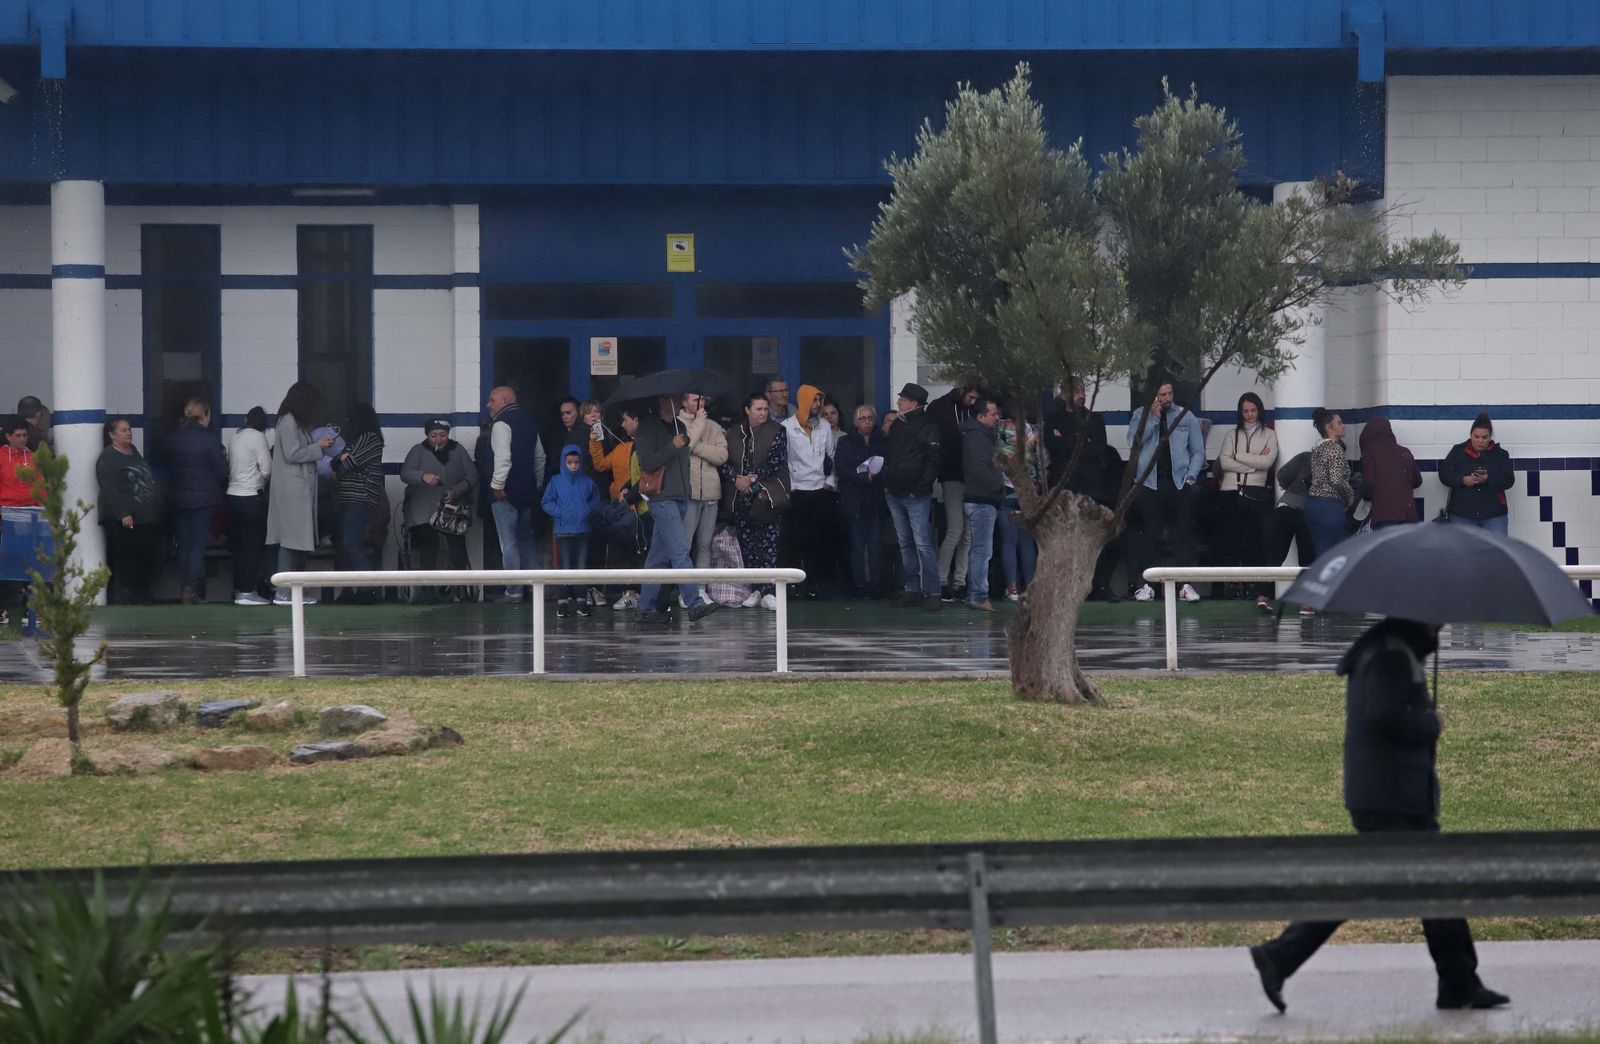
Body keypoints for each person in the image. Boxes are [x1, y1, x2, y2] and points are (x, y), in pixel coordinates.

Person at [1249, 617, 1510, 1015]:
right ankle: (1280, 955)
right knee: (1410, 885)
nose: (1439, 631)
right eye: (1434, 625)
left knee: (1431, 886)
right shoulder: (1390, 655)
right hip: (1392, 797)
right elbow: (1383, 714)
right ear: (1415, 621)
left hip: (1391, 793)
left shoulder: (1390, 649)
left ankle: (1459, 981)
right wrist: (1429, 723)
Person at [633, 394, 720, 623]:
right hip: (662, 498)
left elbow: (684, 460)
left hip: (681, 496)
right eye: (674, 398)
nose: (679, 402)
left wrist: (687, 489)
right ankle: (694, 603)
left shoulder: (679, 425)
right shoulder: (647, 428)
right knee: (680, 550)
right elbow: (647, 462)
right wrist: (672, 446)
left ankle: (645, 607)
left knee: (657, 557)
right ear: (662, 400)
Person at [1125, 381, 1206, 602]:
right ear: (1153, 396)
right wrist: (1153, 419)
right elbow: (1134, 442)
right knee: (1151, 535)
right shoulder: (1140, 415)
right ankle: (1149, 586)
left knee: (1182, 534)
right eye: (1162, 394)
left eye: (1170, 393)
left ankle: (1185, 585)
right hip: (1150, 484)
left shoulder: (1184, 416)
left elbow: (1198, 450)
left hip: (1178, 482)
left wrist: (1191, 476)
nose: (1167, 398)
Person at [265, 382, 335, 605]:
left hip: (296, 491)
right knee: (290, 541)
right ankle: (283, 593)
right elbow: (293, 454)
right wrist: (319, 447)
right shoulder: (288, 423)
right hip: (292, 492)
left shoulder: (294, 422)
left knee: (295, 542)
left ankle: (290, 592)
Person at [721, 392, 789, 611]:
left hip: (766, 494)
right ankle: (754, 589)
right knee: (747, 544)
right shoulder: (733, 433)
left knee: (767, 542)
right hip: (739, 496)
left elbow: (776, 461)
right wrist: (736, 480)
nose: (763, 413)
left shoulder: (777, 431)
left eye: (764, 409)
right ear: (747, 410)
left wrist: (751, 479)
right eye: (758, 409)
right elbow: (724, 462)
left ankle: (769, 590)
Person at [881, 383, 942, 610]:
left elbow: (933, 461)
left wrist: (919, 487)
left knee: (922, 544)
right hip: (895, 493)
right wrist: (887, 481)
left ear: (914, 403)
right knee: (906, 543)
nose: (899, 402)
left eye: (903, 399)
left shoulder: (928, 426)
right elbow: (889, 455)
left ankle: (934, 592)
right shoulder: (898, 424)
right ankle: (913, 589)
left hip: (915, 495)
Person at [1216, 392, 1280, 610]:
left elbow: (1268, 461)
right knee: (1232, 541)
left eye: (1253, 410)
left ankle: (1254, 586)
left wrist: (1239, 456)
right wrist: (1253, 464)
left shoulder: (1269, 434)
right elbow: (1224, 462)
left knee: (1255, 542)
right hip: (1230, 491)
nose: (1250, 415)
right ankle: (1233, 586)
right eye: (1245, 411)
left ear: (1259, 410)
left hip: (1255, 493)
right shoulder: (1231, 434)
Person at [400, 417, 477, 593]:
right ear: (427, 435)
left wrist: (456, 491)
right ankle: (428, 588)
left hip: (451, 510)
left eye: (442, 435)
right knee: (428, 545)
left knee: (457, 545)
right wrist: (422, 476)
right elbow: (405, 473)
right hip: (423, 509)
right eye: (433, 435)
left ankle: (460, 587)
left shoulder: (458, 450)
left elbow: (472, 476)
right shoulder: (417, 450)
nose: (438, 439)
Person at [164, 398, 228, 604]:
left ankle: (185, 586)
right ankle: (192, 588)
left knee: (183, 544)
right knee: (197, 546)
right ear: (205, 415)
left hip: (177, 498)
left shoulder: (172, 439)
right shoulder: (209, 440)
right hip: (202, 500)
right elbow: (222, 471)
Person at [486, 385, 546, 603]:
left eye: (491, 400)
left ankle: (513, 592)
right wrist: (537, 483)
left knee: (508, 543)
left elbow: (503, 459)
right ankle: (535, 590)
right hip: (528, 491)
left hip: (507, 493)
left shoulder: (501, 424)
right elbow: (540, 457)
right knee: (527, 542)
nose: (488, 405)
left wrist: (496, 487)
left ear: (504, 401)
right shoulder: (530, 422)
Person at [96, 417, 164, 604]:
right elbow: (109, 487)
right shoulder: (108, 457)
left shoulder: (133, 451)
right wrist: (123, 513)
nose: (129, 432)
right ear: (111, 434)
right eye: (123, 430)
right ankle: (126, 596)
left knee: (147, 555)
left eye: (129, 429)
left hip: (144, 517)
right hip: (123, 520)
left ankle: (144, 594)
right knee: (126, 558)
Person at [781, 383, 836, 600]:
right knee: (795, 541)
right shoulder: (787, 426)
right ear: (804, 401)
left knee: (818, 540)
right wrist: (791, 486)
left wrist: (830, 481)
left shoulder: (824, 425)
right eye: (813, 400)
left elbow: (831, 456)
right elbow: (784, 460)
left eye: (819, 400)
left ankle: (815, 584)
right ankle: (795, 587)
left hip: (820, 490)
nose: (817, 405)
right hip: (797, 491)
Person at [330, 402, 386, 600]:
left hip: (360, 498)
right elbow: (335, 462)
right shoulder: (355, 440)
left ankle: (366, 589)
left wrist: (342, 461)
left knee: (351, 543)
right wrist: (341, 460)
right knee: (346, 544)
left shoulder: (369, 438)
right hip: (349, 499)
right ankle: (354, 588)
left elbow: (347, 464)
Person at [590, 405, 644, 610]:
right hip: (622, 507)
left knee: (640, 551)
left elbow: (644, 476)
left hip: (640, 506)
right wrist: (594, 442)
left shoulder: (644, 447)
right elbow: (601, 464)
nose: (623, 425)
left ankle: (639, 593)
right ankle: (628, 592)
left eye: (626, 420)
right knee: (624, 552)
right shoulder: (621, 449)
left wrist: (629, 492)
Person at [929, 384, 978, 601]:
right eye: (971, 397)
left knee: (967, 534)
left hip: (970, 478)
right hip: (952, 476)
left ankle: (959, 582)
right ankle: (940, 581)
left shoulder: (970, 411)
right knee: (956, 530)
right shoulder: (943, 408)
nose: (973, 401)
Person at [834, 404, 888, 599]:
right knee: (857, 545)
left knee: (875, 545)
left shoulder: (882, 441)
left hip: (876, 500)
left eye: (870, 418)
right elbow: (841, 468)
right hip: (855, 500)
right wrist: (863, 477)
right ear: (856, 421)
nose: (866, 421)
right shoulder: (846, 442)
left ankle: (876, 585)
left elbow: (888, 465)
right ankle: (858, 585)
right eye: (862, 418)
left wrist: (877, 476)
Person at [680, 391, 728, 606]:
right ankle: (685, 590)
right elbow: (684, 445)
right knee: (685, 543)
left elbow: (721, 456)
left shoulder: (715, 426)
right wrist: (698, 422)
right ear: (684, 402)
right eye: (695, 399)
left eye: (703, 399)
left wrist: (696, 447)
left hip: (710, 492)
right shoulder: (678, 423)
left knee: (705, 544)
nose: (701, 403)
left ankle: (701, 588)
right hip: (688, 492)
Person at [541, 444, 600, 618]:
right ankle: (563, 601)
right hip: (563, 531)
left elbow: (595, 501)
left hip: (582, 530)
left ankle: (581, 601)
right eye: (569, 462)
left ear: (581, 462)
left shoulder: (587, 482)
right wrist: (561, 513)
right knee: (564, 567)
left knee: (581, 567)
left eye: (576, 462)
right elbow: (546, 502)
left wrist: (586, 511)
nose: (573, 466)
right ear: (563, 462)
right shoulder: (556, 481)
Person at [960, 397, 1004, 612]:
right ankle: (978, 595)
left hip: (980, 499)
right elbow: (980, 468)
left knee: (978, 549)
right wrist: (998, 485)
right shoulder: (977, 437)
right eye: (993, 414)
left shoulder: (979, 436)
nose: (997, 418)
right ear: (980, 416)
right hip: (982, 499)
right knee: (982, 550)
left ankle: (974, 593)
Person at [0, 414, 44, 624]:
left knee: (27, 563)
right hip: (4, 515)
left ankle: (29, 610)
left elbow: (40, 487)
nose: (22, 439)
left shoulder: (34, 457)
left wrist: (44, 509)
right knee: (6, 563)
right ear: (7, 436)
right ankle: (7, 608)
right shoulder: (0, 456)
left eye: (25, 435)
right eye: (17, 435)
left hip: (29, 517)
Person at [1438, 413, 1514, 534]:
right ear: (1470, 435)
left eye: (1485, 438)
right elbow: (1444, 474)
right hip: (1462, 513)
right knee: (1464, 552)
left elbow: (1509, 480)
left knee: (1496, 551)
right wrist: (1462, 479)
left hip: (1493, 515)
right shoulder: (1458, 451)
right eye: (1476, 437)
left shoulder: (1500, 454)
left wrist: (1488, 479)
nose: (1480, 441)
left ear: (1490, 437)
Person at [226, 407, 272, 605]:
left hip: (233, 495)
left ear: (246, 419)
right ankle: (247, 591)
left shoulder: (235, 437)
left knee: (240, 546)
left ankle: (238, 588)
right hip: (252, 496)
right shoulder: (258, 437)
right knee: (253, 546)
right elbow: (267, 469)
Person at [995, 404, 1041, 601]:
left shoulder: (1001, 430)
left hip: (1008, 490)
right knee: (1027, 541)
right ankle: (1030, 587)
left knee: (1009, 542)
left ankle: (1012, 587)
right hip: (1028, 490)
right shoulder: (1032, 431)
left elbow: (997, 461)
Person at [1043, 381, 1108, 497]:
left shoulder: (1095, 419)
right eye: (1077, 392)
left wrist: (1064, 440)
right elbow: (1052, 446)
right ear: (1065, 394)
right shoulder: (1053, 418)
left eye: (1083, 391)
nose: (1082, 396)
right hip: (1062, 482)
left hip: (1089, 483)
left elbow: (1099, 448)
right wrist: (1082, 442)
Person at [1304, 408, 1354, 559]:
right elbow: (1336, 479)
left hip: (1313, 504)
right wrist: (1349, 495)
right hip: (1329, 506)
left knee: (1320, 553)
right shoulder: (1334, 447)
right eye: (1339, 423)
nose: (1343, 426)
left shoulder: (1318, 447)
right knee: (1331, 556)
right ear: (1328, 427)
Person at [1359, 416, 1422, 531]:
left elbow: (1369, 484)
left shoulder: (1370, 453)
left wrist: (1366, 497)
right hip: (1408, 514)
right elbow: (1418, 481)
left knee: (1387, 548)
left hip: (1384, 515)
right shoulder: (1405, 452)